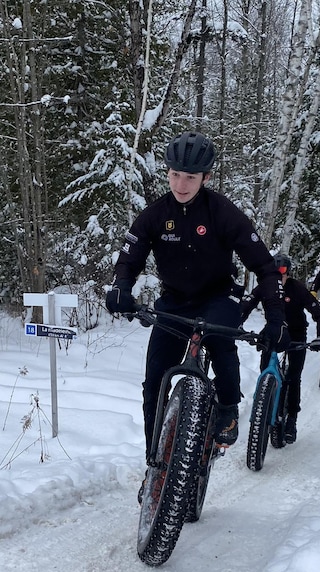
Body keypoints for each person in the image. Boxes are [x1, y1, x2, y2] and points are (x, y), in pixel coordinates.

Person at [104, 131, 289, 472]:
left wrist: (276, 318)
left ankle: (229, 408)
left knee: (221, 342)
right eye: (175, 174)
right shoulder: (156, 214)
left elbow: (265, 267)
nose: (181, 183)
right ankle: (154, 465)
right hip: (174, 302)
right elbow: (129, 258)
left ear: (206, 177)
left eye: (190, 177)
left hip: (218, 296)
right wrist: (120, 289)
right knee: (155, 382)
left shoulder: (223, 213)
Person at [239, 252, 320, 444]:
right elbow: (247, 304)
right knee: (265, 372)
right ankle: (266, 404)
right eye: (275, 270)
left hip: (296, 334)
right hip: (273, 331)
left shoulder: (297, 289)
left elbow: (318, 313)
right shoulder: (265, 287)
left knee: (293, 377)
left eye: (283, 270)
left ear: (288, 271)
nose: (280, 274)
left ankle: (292, 419)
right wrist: (237, 323)